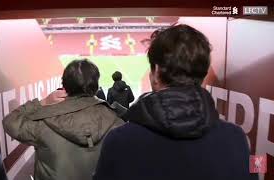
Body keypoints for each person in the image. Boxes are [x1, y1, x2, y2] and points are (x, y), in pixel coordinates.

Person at [93, 25, 258, 180]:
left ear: (156, 71)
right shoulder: (237, 138)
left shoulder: (119, 141)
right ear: (202, 74)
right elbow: (255, 173)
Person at [3, 59, 124, 180]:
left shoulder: (42, 122)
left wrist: (42, 102)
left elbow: (10, 121)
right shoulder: (116, 120)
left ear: (64, 86)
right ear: (95, 86)